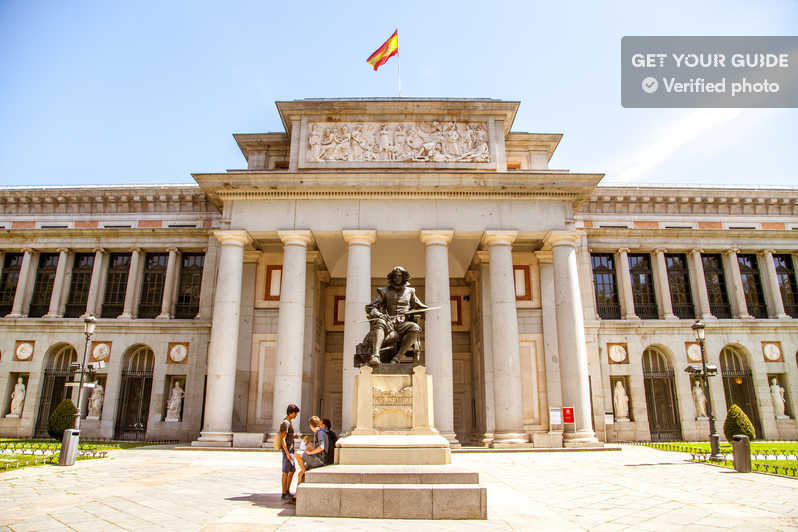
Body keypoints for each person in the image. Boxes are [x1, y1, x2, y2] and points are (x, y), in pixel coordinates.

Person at [295, 416, 329, 485]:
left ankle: (304, 471)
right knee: (300, 474)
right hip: (319, 458)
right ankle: (297, 494)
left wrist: (310, 452)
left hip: (321, 460)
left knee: (297, 454)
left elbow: (321, 447)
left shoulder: (320, 433)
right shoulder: (321, 432)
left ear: (310, 425)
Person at [279, 404, 299, 504]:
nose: (296, 415)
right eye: (295, 413)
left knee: (292, 470)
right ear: (291, 412)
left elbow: (287, 437)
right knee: (285, 471)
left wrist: (293, 437)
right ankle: (284, 492)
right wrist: (287, 453)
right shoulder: (285, 423)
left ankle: (287, 490)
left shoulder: (289, 422)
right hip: (287, 450)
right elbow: (282, 439)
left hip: (290, 450)